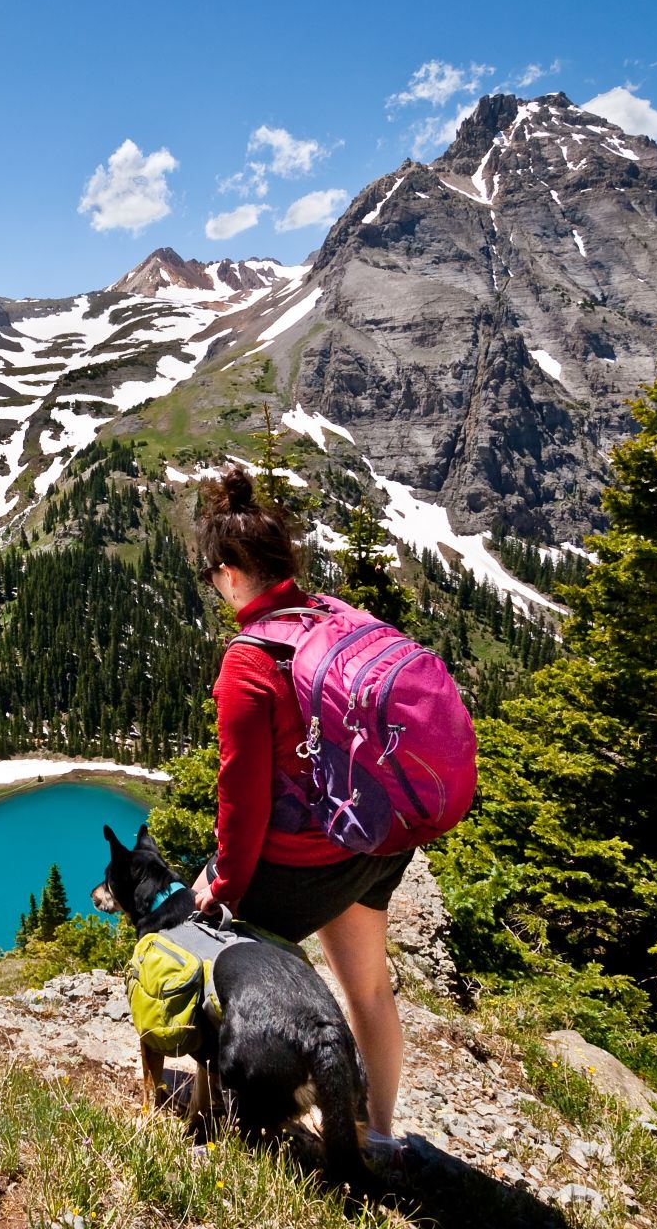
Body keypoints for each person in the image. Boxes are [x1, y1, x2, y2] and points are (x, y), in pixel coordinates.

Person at [191, 465, 410, 1154]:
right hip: (374, 839)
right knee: (370, 989)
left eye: (212, 579)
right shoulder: (335, 617)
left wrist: (219, 888)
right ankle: (379, 1134)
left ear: (229, 574)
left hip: (310, 860)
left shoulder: (248, 660)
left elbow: (242, 799)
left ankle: (243, 1112)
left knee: (206, 947)